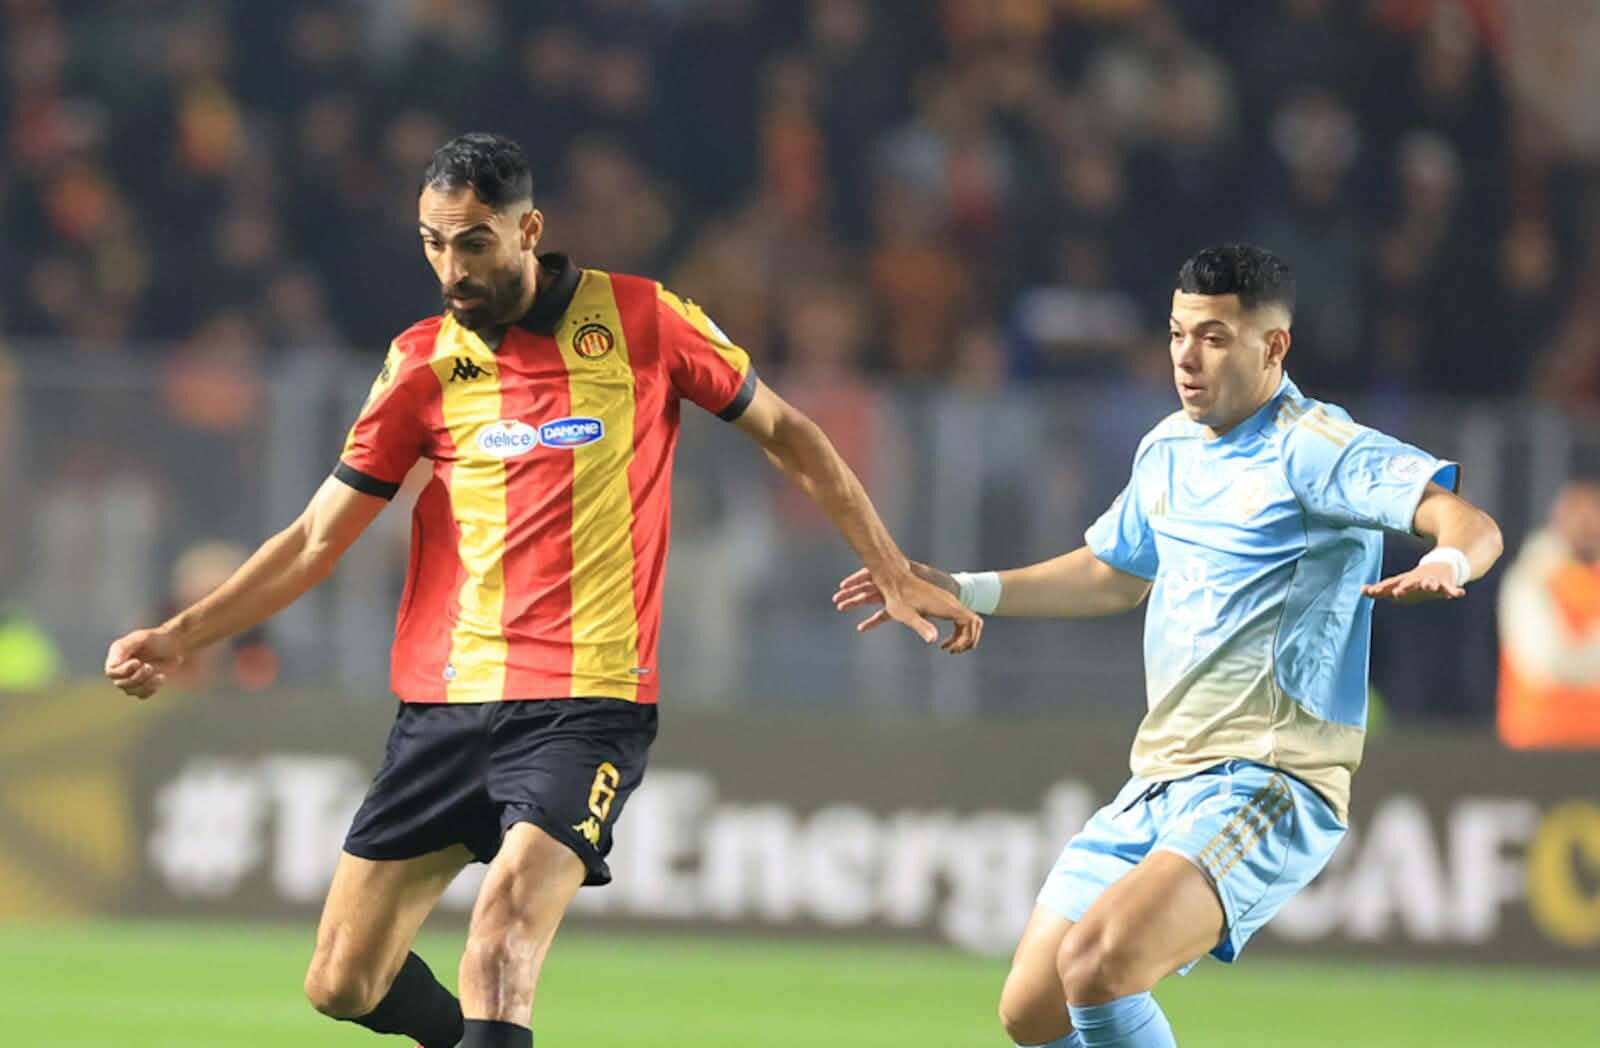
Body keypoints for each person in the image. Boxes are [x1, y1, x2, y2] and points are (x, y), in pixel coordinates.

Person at [105, 132, 980, 1048]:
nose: (451, 268)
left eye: (473, 242)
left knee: (501, 937)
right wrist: (184, 634)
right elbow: (319, 536)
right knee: (342, 982)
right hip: (445, 704)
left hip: (585, 700)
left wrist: (888, 563)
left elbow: (791, 432)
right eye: (433, 242)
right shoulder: (421, 364)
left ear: (530, 229)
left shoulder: (644, 320)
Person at [834, 244, 1503, 1048]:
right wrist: (968, 590)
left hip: (1268, 779)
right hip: (1159, 780)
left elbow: (1471, 523)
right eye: (1179, 332)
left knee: (1098, 966)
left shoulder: (1316, 446)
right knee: (1031, 1010)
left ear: (1273, 346)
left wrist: (1445, 559)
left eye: (1215, 337)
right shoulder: (1168, 448)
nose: (1186, 357)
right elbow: (1114, 573)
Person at [1497, 480, 1600, 748]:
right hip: (1540, 739)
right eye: (1578, 513)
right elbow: (1546, 661)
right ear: (1558, 519)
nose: (1587, 525)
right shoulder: (1532, 578)